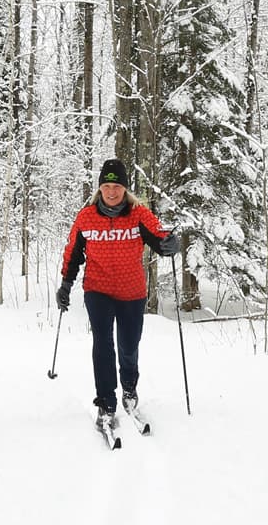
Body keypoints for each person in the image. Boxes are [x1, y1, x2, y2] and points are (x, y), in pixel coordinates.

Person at [56, 158, 183, 431]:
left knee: (128, 345)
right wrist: (66, 284)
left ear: (125, 189)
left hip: (131, 291)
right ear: (99, 188)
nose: (111, 192)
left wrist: (171, 243)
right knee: (103, 343)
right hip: (98, 289)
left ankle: (129, 390)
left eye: (116, 186)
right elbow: (73, 253)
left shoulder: (138, 214)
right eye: (106, 186)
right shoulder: (86, 216)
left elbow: (160, 238)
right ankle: (106, 402)